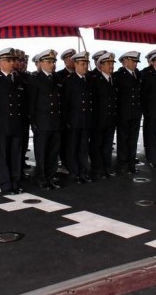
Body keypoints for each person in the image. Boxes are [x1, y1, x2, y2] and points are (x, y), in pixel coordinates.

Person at [0, 48, 27, 195]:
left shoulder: (19, 79)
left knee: (16, 155)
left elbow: (23, 104)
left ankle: (16, 182)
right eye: (8, 61)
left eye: (13, 60)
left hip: (17, 123)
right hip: (2, 125)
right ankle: (6, 184)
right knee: (3, 156)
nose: (12, 63)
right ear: (0, 62)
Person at [28, 49, 63, 190]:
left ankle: (50, 177)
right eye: (49, 62)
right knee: (42, 153)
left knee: (53, 153)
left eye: (53, 62)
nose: (52, 65)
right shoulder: (35, 79)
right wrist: (33, 122)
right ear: (41, 63)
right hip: (42, 122)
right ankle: (41, 178)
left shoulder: (57, 78)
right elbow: (31, 103)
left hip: (56, 121)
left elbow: (62, 101)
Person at [62, 51, 94, 183]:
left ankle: (83, 171)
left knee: (83, 147)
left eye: (86, 64)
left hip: (86, 120)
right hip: (74, 120)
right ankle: (74, 173)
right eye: (82, 64)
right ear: (75, 65)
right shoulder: (69, 81)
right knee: (73, 148)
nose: (85, 67)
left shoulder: (89, 80)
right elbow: (65, 103)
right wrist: (66, 121)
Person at [89, 52, 118, 179]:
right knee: (97, 145)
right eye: (108, 64)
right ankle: (98, 169)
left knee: (107, 145)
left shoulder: (113, 80)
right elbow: (94, 102)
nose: (111, 66)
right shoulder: (95, 81)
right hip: (99, 120)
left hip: (110, 119)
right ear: (101, 66)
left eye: (112, 64)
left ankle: (107, 167)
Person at [113, 51, 142, 175]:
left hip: (135, 113)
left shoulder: (138, 74)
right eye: (133, 61)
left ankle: (131, 162)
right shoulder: (118, 75)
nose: (135, 64)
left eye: (136, 61)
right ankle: (123, 163)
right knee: (123, 139)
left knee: (133, 139)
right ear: (125, 61)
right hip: (124, 113)